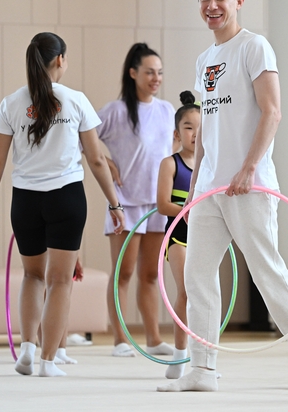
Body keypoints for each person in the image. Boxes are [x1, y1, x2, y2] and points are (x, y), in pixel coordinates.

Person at [158, 0, 288, 393]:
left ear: (238, 0)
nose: (211, 6)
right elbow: (208, 131)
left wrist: (249, 167)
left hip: (249, 186)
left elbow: (272, 112)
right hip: (210, 189)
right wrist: (196, 190)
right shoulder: (205, 61)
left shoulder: (255, 47)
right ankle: (203, 369)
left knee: (267, 271)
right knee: (196, 278)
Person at [0, 32, 125, 377]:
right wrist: (115, 204)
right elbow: (97, 159)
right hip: (66, 198)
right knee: (60, 281)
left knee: (31, 276)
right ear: (60, 60)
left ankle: (27, 346)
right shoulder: (75, 100)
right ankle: (47, 361)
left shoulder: (12, 103)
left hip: (25, 200)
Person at [97, 43, 176, 358]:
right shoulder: (115, 112)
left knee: (151, 274)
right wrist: (105, 160)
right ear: (133, 73)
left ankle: (154, 338)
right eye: (149, 72)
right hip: (126, 204)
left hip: (159, 203)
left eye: (159, 73)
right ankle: (120, 339)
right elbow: (82, 137)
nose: (156, 78)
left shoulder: (167, 110)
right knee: (124, 272)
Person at [156, 91, 200, 380]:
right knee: (185, 292)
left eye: (200, 128)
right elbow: (162, 205)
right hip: (178, 235)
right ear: (177, 132)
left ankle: (202, 359)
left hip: (202, 234)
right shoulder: (170, 164)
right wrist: (188, 210)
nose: (195, 134)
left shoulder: (209, 164)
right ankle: (179, 356)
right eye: (188, 127)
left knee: (203, 294)